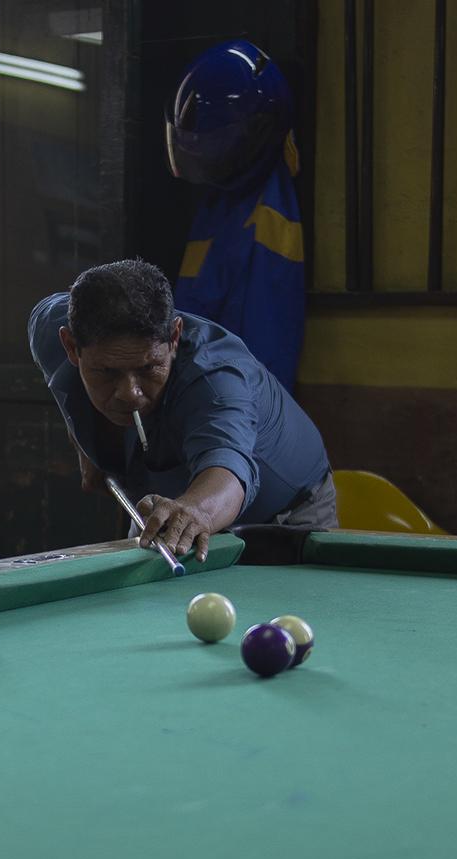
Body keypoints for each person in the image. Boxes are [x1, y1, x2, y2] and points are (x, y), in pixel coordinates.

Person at [28, 258, 333, 562]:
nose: (130, 394)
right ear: (70, 347)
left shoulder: (216, 380)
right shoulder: (49, 329)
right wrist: (85, 439)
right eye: (106, 372)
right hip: (167, 503)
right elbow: (44, 317)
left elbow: (227, 468)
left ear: (174, 337)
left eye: (148, 367)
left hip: (283, 514)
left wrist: (196, 510)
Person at [166, 40, 306, 392]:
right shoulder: (219, 203)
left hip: (228, 409)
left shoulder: (268, 215)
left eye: (215, 142)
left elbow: (264, 354)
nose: (205, 156)